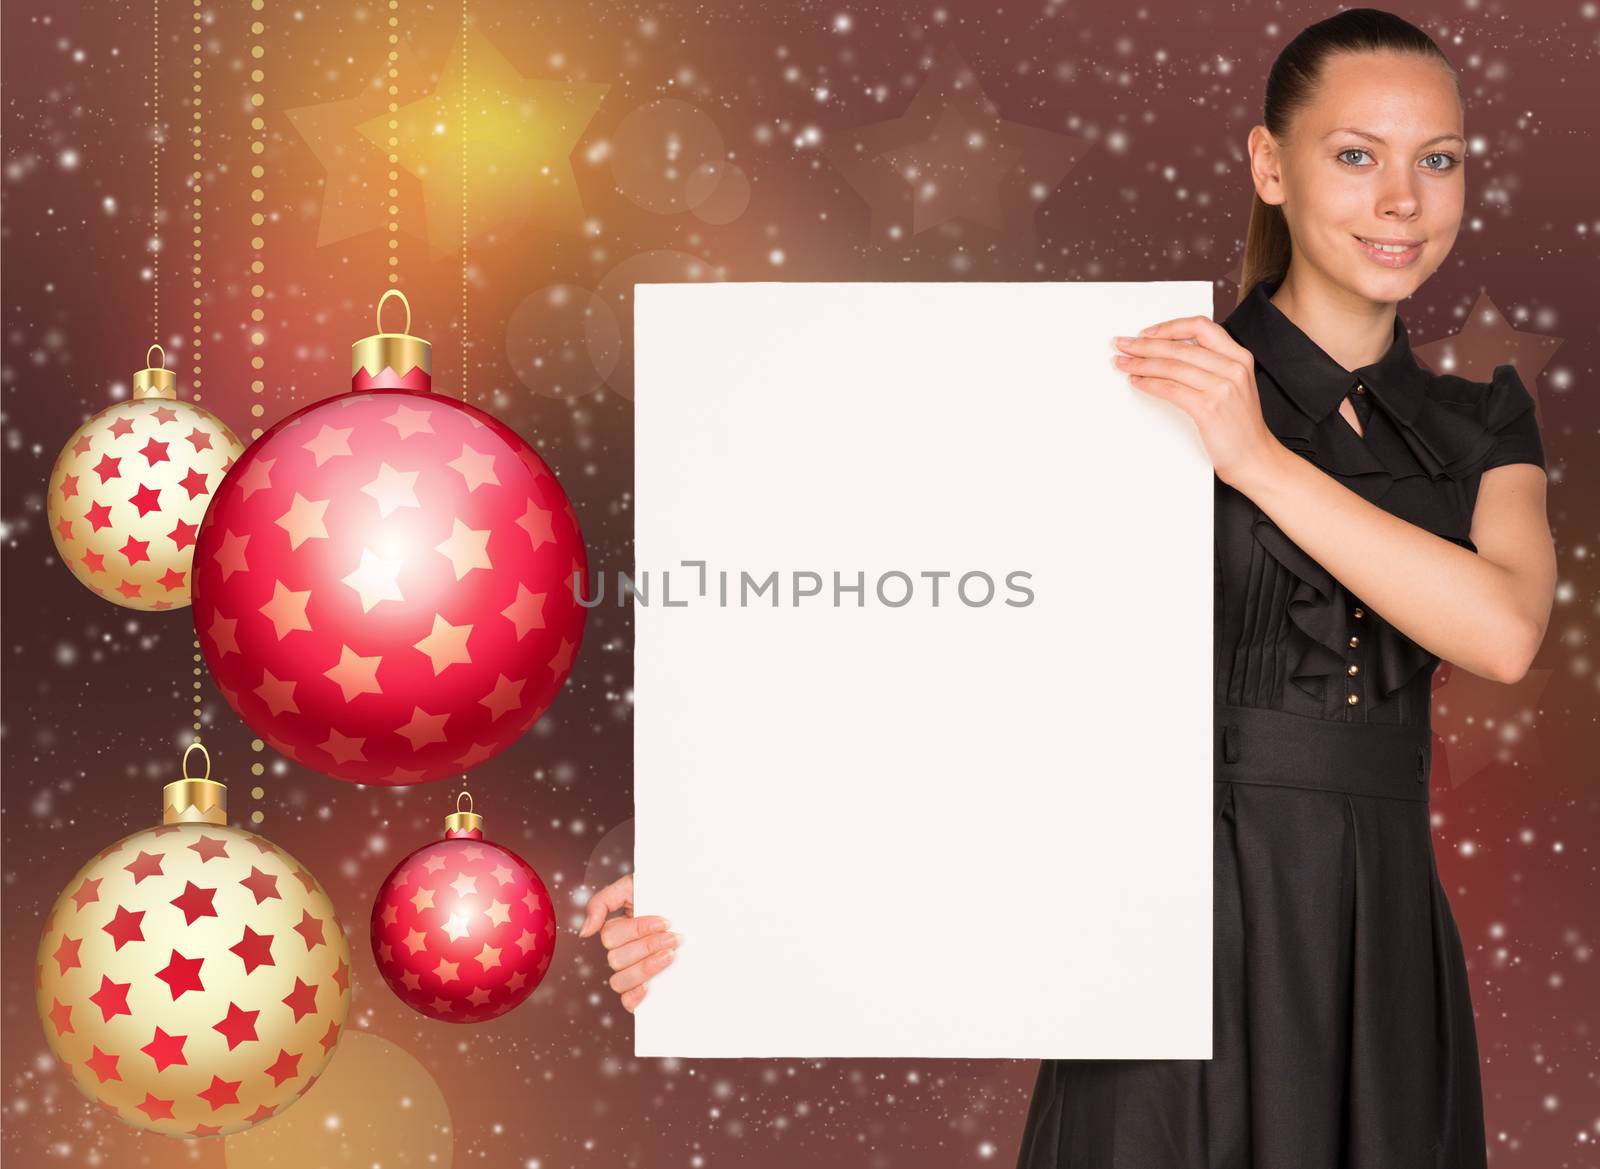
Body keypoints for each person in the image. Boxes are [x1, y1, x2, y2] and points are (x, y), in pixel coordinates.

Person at [581, 8, 1555, 1165]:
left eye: (1434, 160)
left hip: (1380, 955)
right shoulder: (1123, 379)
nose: (1402, 199)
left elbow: (1500, 630)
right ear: (1268, 166)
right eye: (1356, 154)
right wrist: (735, 870)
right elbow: (946, 661)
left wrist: (1253, 458)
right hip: (1148, 941)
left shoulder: (1479, 420)